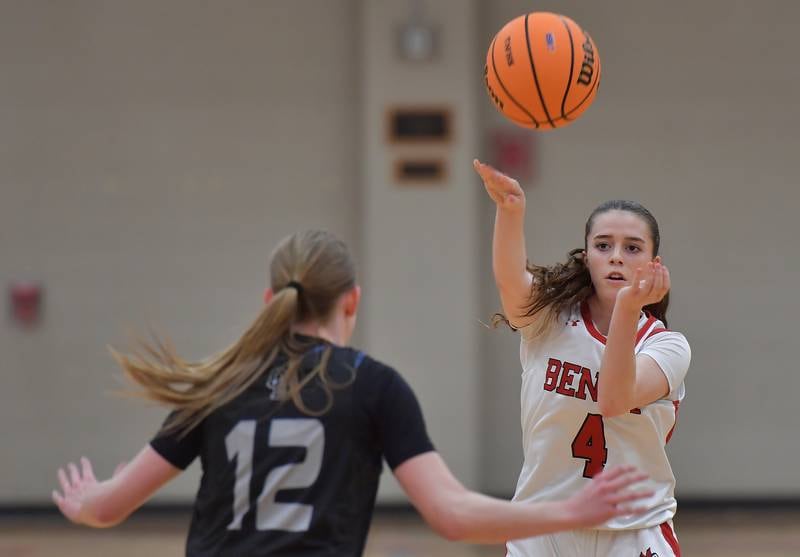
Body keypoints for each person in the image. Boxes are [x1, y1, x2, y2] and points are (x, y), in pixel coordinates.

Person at [53, 230, 651, 556]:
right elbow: (451, 516)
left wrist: (84, 502)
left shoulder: (219, 383)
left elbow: (107, 509)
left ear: (271, 303)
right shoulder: (372, 385)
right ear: (352, 302)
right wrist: (565, 512)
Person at [473, 160, 691, 557]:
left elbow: (613, 399)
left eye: (632, 248)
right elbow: (510, 279)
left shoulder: (668, 347)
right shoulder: (549, 321)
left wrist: (628, 309)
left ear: (653, 262)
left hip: (634, 530)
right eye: (603, 245)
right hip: (543, 527)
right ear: (587, 255)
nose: (616, 257)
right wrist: (510, 211)